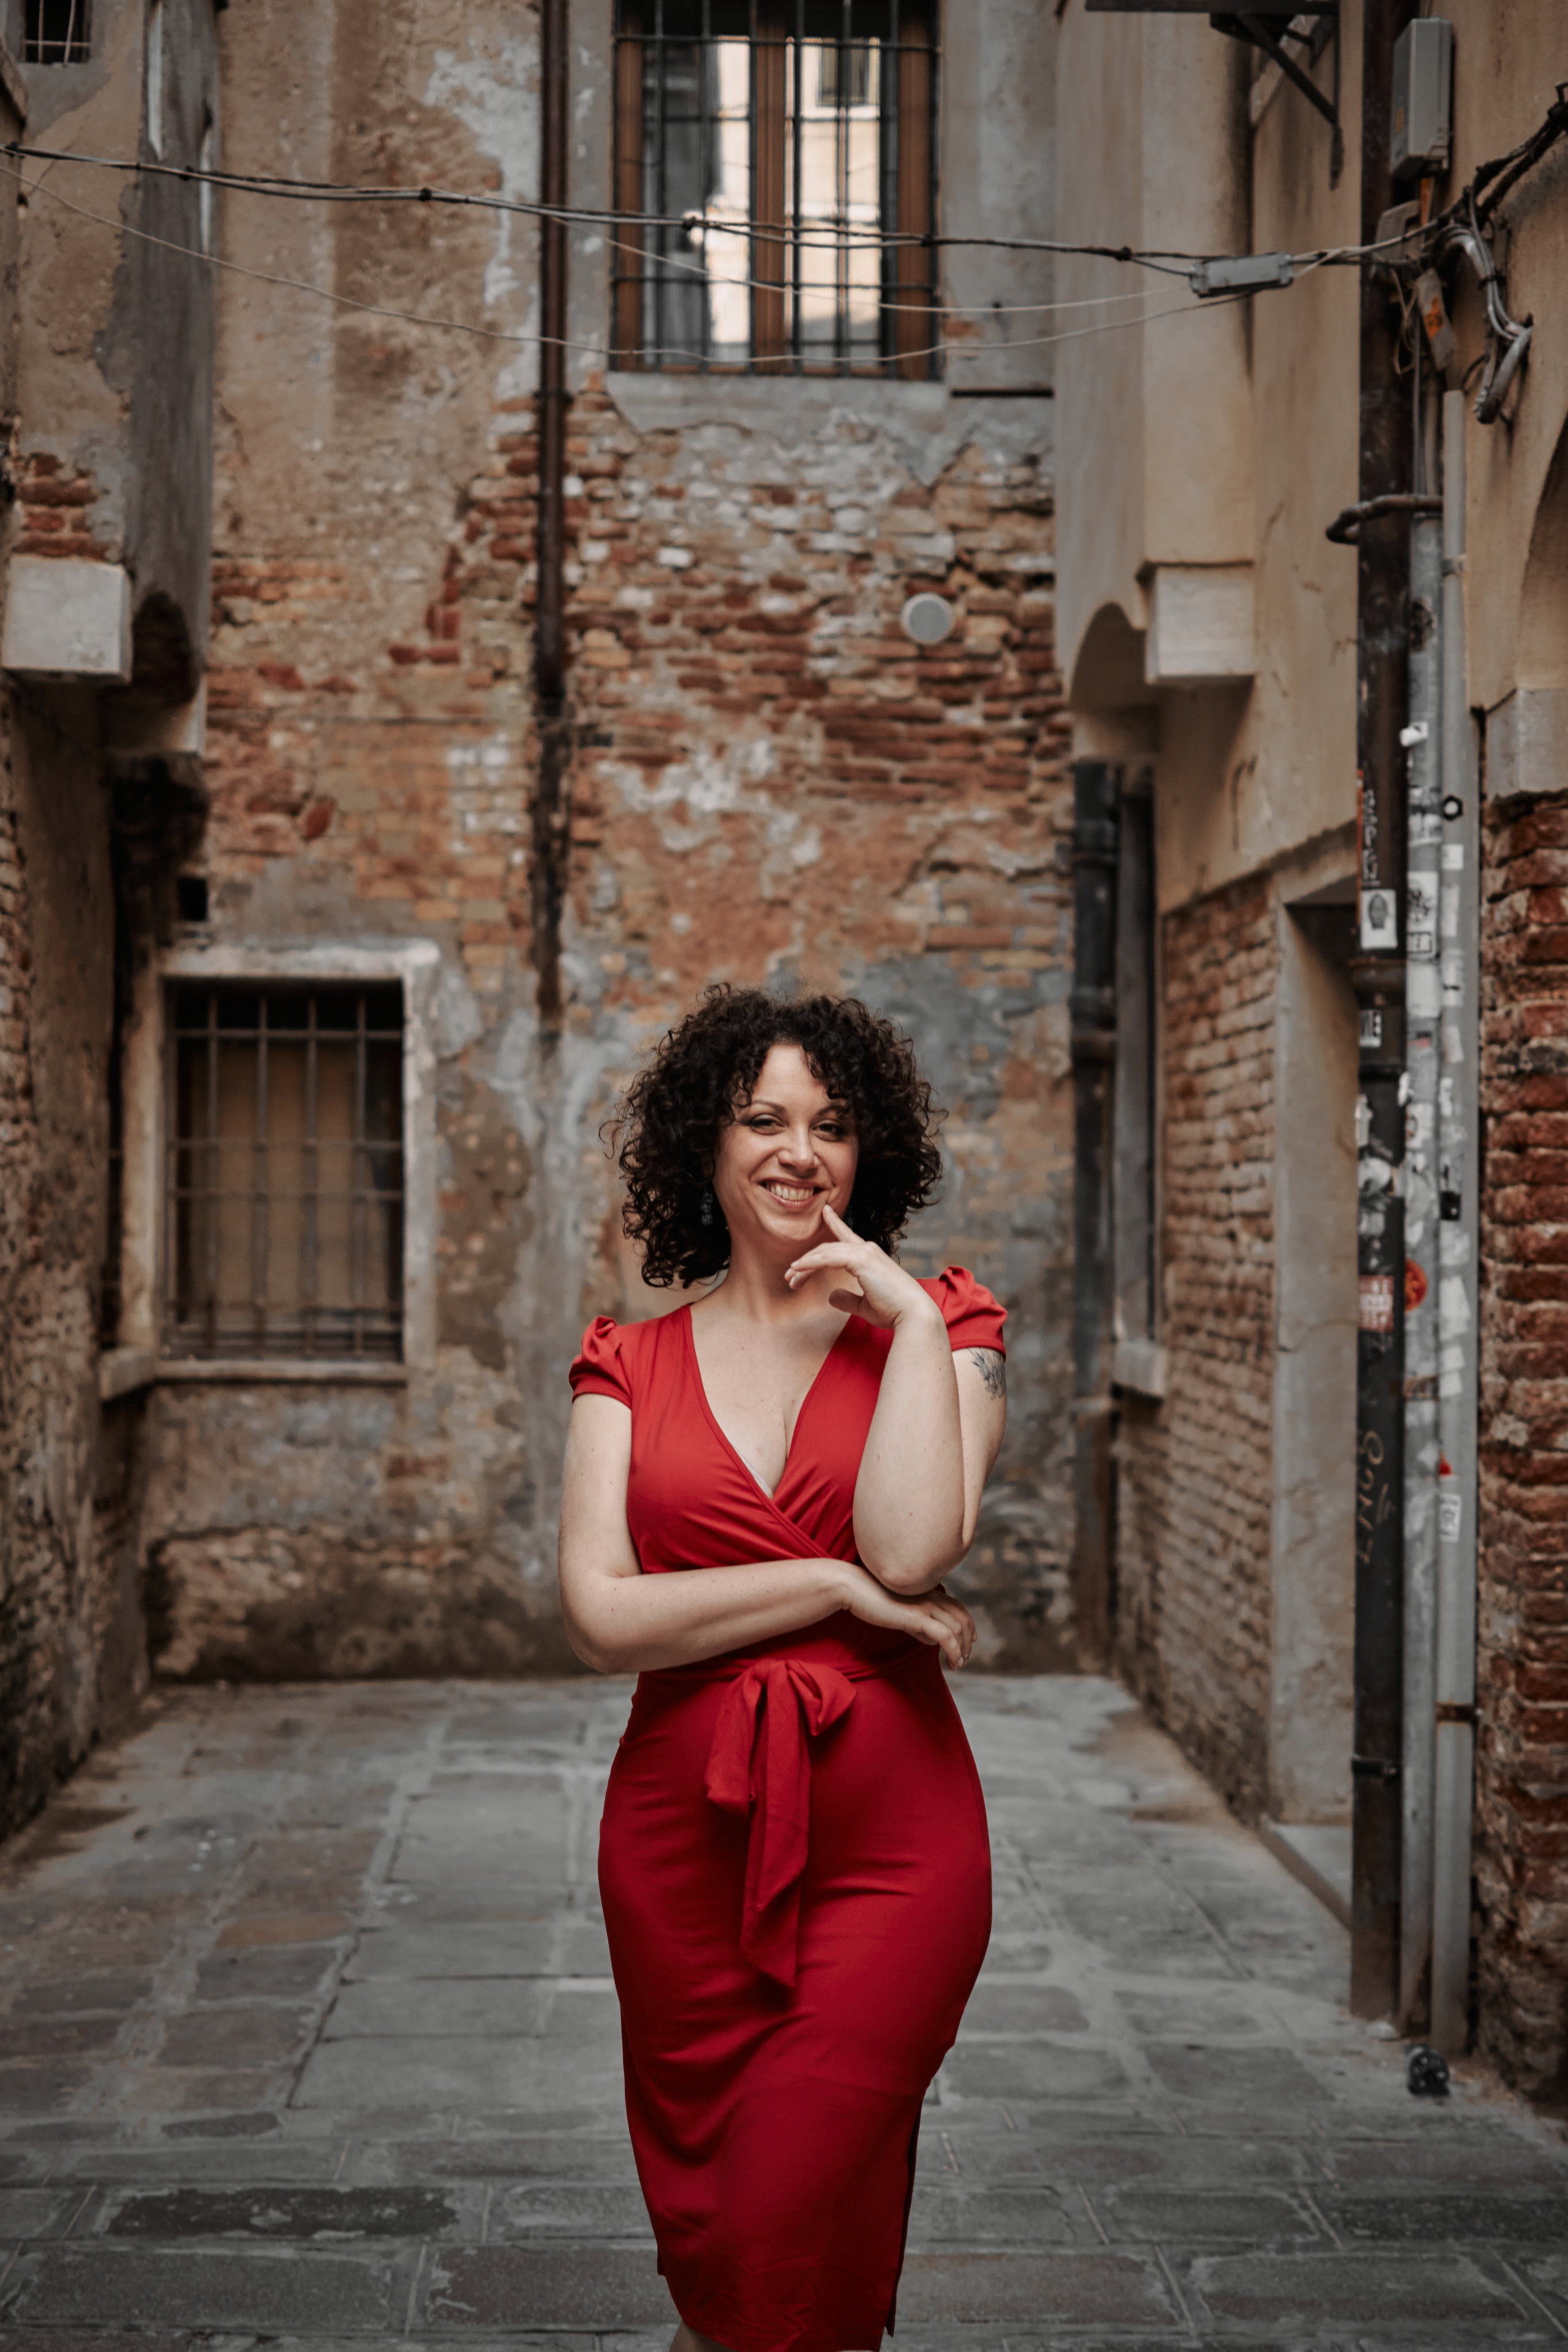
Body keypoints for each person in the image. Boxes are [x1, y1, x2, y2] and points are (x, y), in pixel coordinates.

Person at [558, 985, 1007, 2352]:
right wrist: (822, 1588)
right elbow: (596, 1615)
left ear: (871, 1157)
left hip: (895, 1846)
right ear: (706, 1142)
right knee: (739, 2246)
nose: (796, 1152)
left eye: (830, 1125)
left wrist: (911, 1327)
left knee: (771, 2222)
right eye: (762, 1118)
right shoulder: (622, 1363)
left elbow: (911, 1546)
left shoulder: (948, 1331)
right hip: (678, 1847)